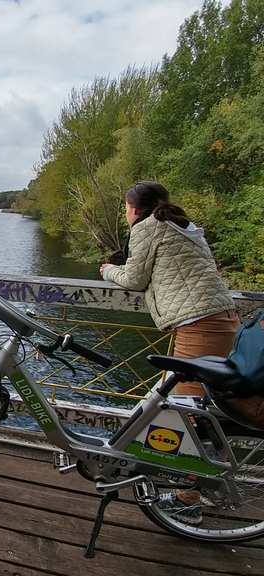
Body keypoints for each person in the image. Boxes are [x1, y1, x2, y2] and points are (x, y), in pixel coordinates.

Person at [100, 181, 240, 525]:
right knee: (169, 404)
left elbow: (134, 279)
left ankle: (190, 500)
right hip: (214, 322)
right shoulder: (182, 225)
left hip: (200, 325)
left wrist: (106, 270)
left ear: (135, 208)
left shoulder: (148, 227)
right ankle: (172, 475)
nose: (125, 213)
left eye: (126, 207)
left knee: (188, 415)